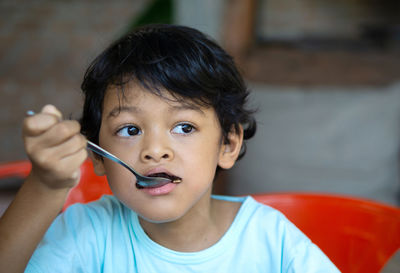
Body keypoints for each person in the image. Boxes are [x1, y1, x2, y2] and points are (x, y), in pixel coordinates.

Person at [0, 24, 339, 272]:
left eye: (184, 127)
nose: (155, 150)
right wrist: (46, 184)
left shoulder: (269, 239)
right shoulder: (87, 233)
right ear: (98, 155)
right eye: (130, 129)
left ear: (228, 144)